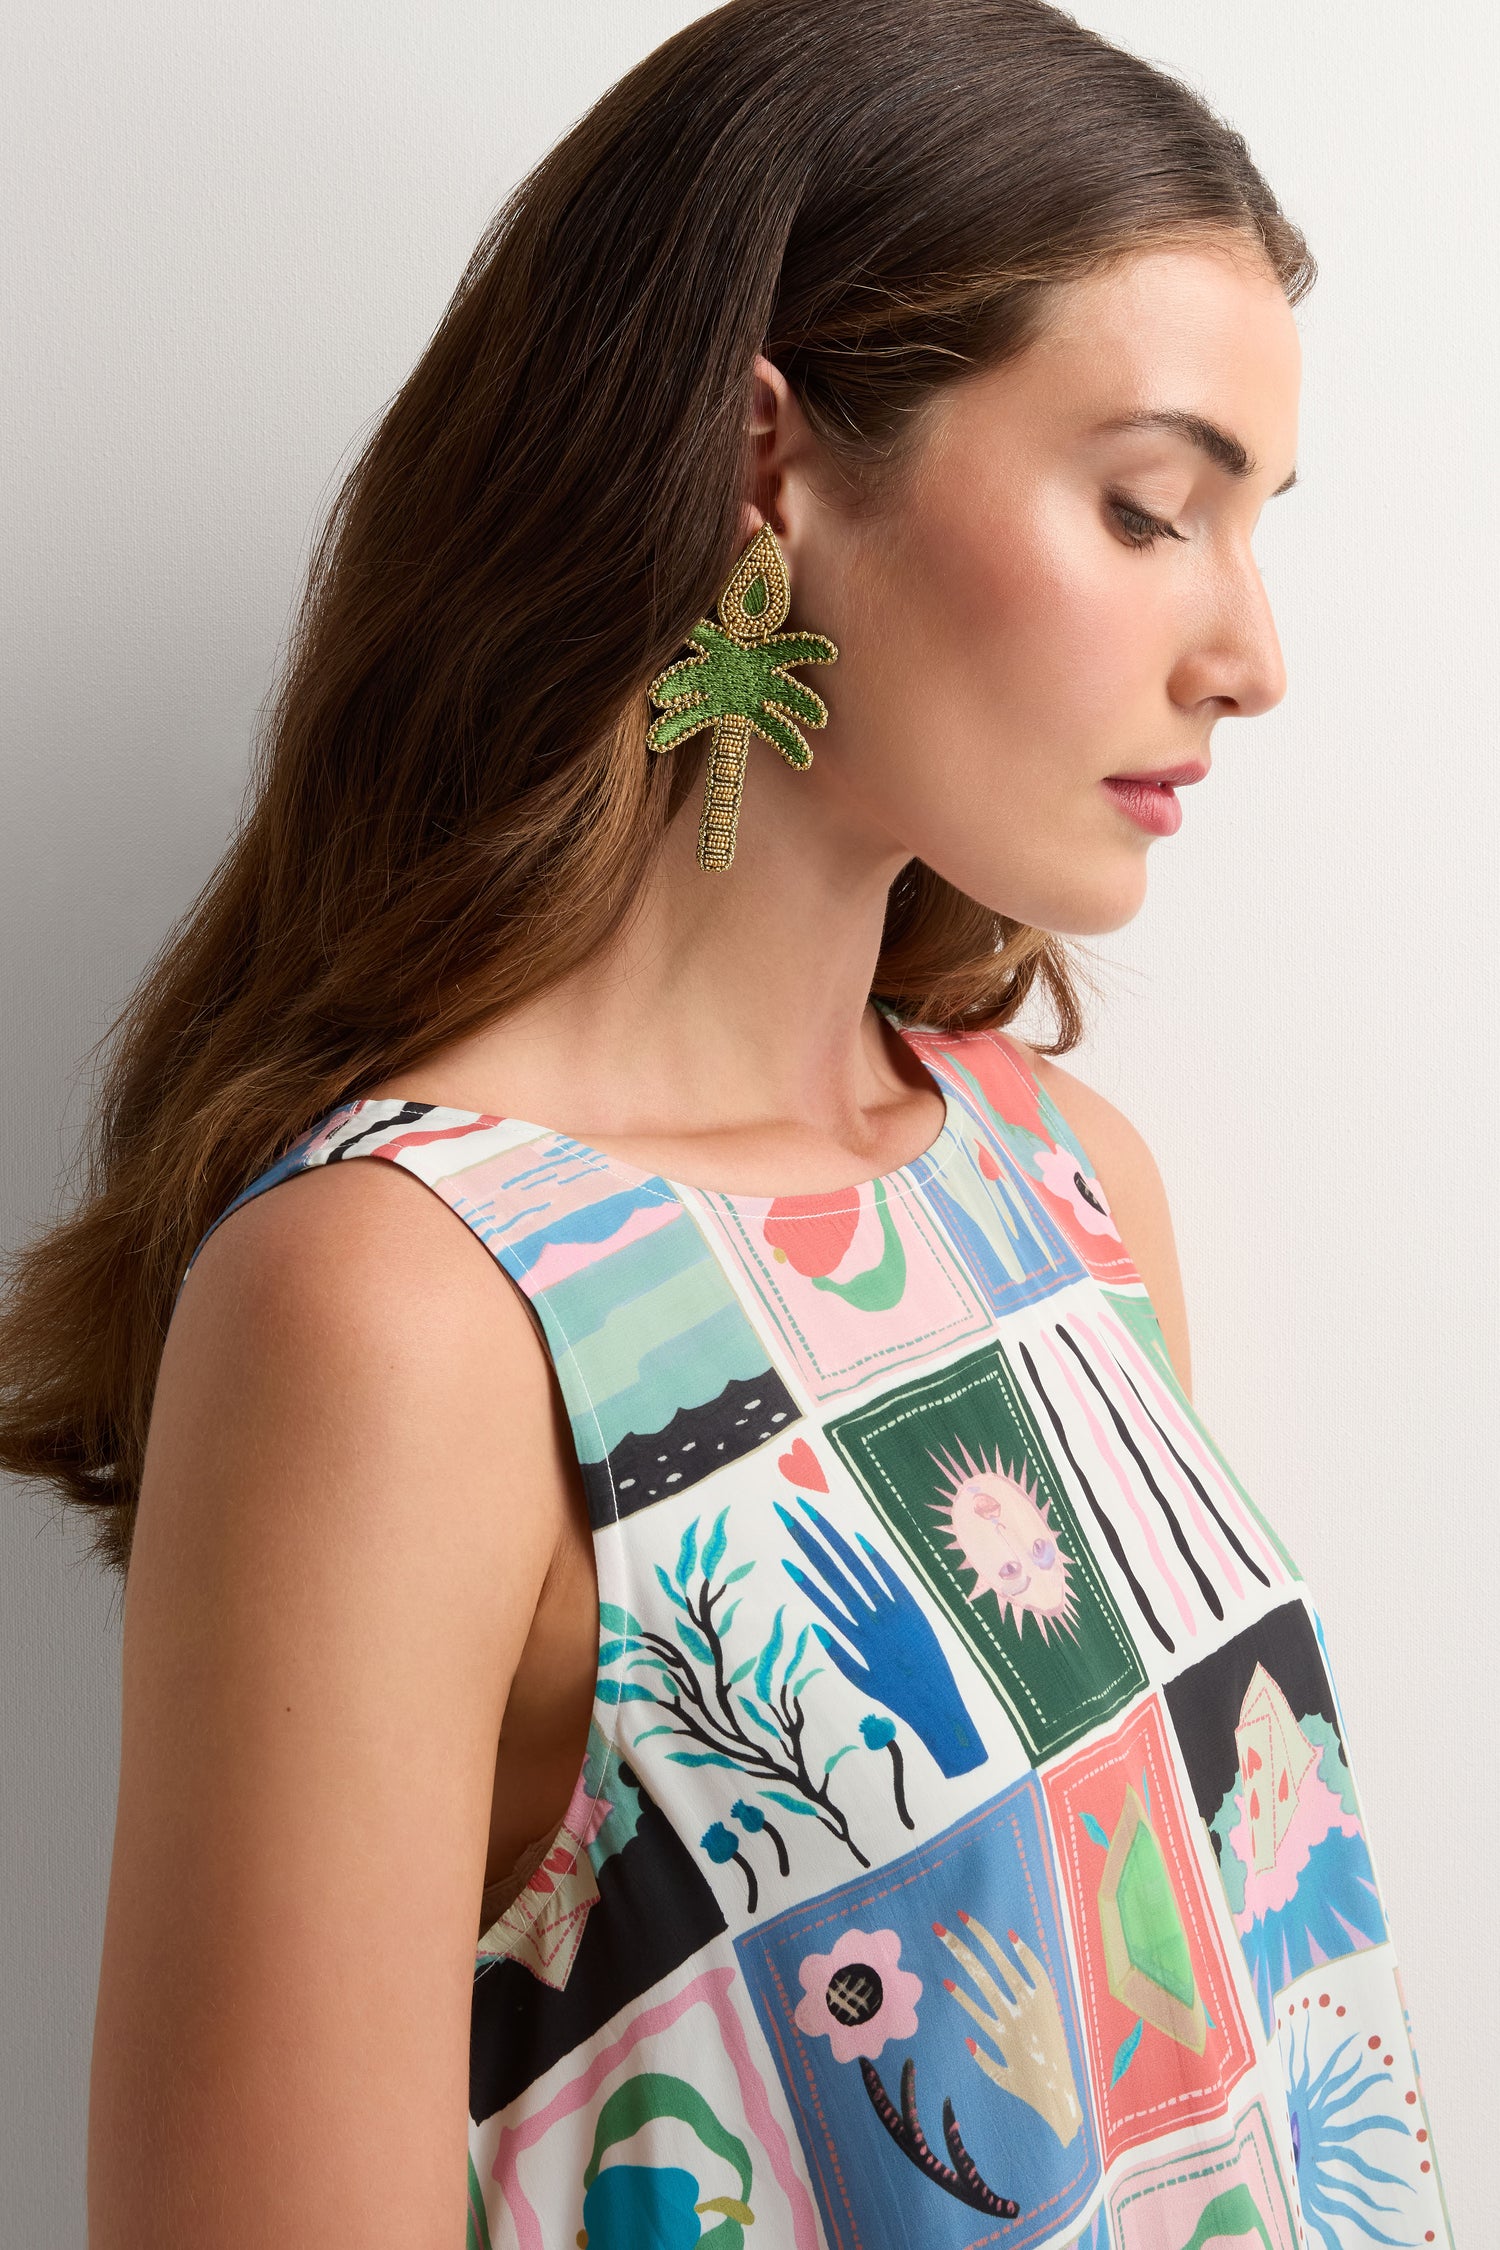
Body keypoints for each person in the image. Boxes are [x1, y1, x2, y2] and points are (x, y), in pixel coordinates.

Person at [0, 2, 1454, 2245]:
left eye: (1248, 527)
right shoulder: (403, 1309)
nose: (1248, 648)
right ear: (765, 464)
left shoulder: (1064, 1190)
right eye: (1150, 506)